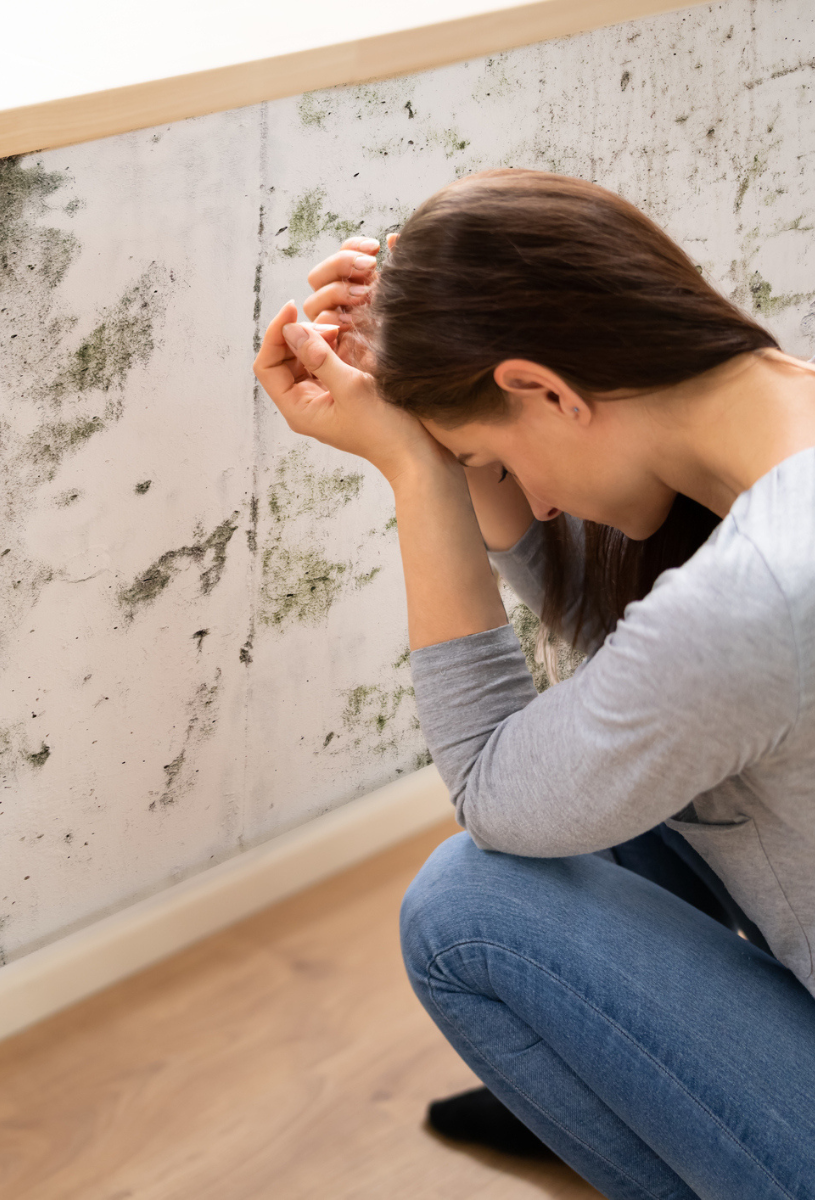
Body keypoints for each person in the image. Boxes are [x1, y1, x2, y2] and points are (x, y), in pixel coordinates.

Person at [252, 169, 815, 1200]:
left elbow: (493, 787)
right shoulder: (783, 452)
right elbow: (650, 665)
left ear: (545, 389)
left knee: (467, 907)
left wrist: (418, 474)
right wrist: (438, 379)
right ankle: (651, 1093)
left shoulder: (764, 591)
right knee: (615, 778)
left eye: (495, 455)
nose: (538, 501)